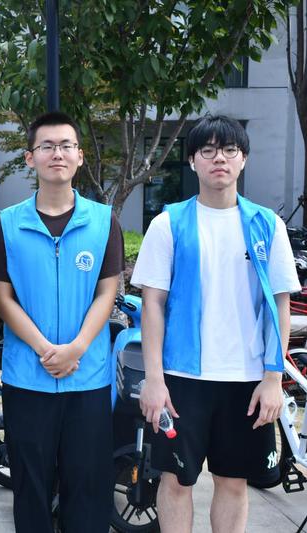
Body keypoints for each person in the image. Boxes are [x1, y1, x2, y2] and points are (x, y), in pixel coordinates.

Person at [133, 114, 299, 533]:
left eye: (229, 150)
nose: (219, 159)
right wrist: (154, 380)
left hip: (246, 379)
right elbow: (152, 305)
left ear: (243, 159)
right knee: (175, 480)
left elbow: (279, 305)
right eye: (207, 151)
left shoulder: (268, 225)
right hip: (181, 378)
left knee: (233, 480)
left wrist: (273, 378)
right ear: (193, 161)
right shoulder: (168, 224)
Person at [0, 111, 124, 532]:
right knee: (30, 484)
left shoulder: (103, 221)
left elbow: (107, 292)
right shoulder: (8, 223)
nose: (57, 154)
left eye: (66, 145)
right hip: (27, 377)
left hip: (88, 377)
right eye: (46, 146)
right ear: (30, 158)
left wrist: (76, 348)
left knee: (88, 485)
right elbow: (2, 296)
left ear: (80, 156)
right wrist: (45, 349)